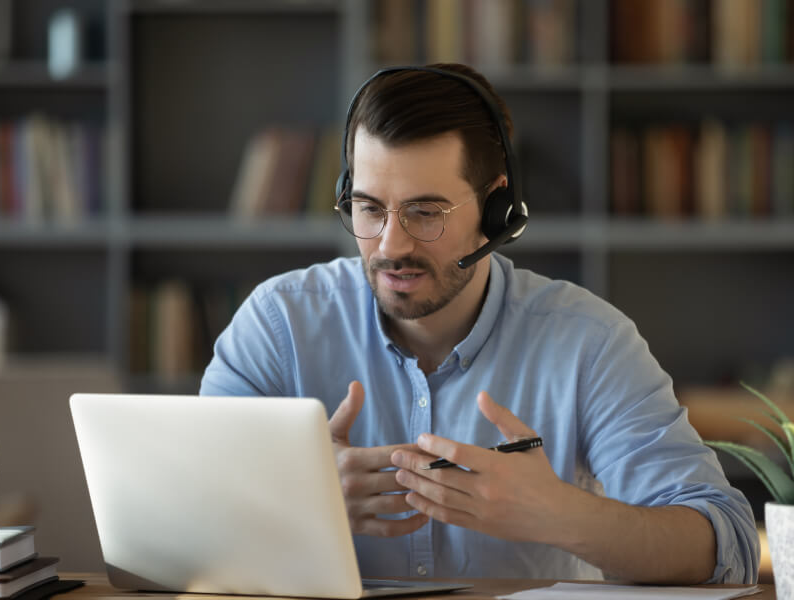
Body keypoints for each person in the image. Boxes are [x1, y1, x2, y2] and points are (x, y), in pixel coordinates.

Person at [200, 63, 759, 584]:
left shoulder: (588, 341)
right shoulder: (278, 324)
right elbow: (183, 509)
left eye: (425, 212)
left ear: (499, 211)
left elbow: (726, 545)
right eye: (369, 209)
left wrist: (559, 515)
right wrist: (297, 498)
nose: (390, 246)